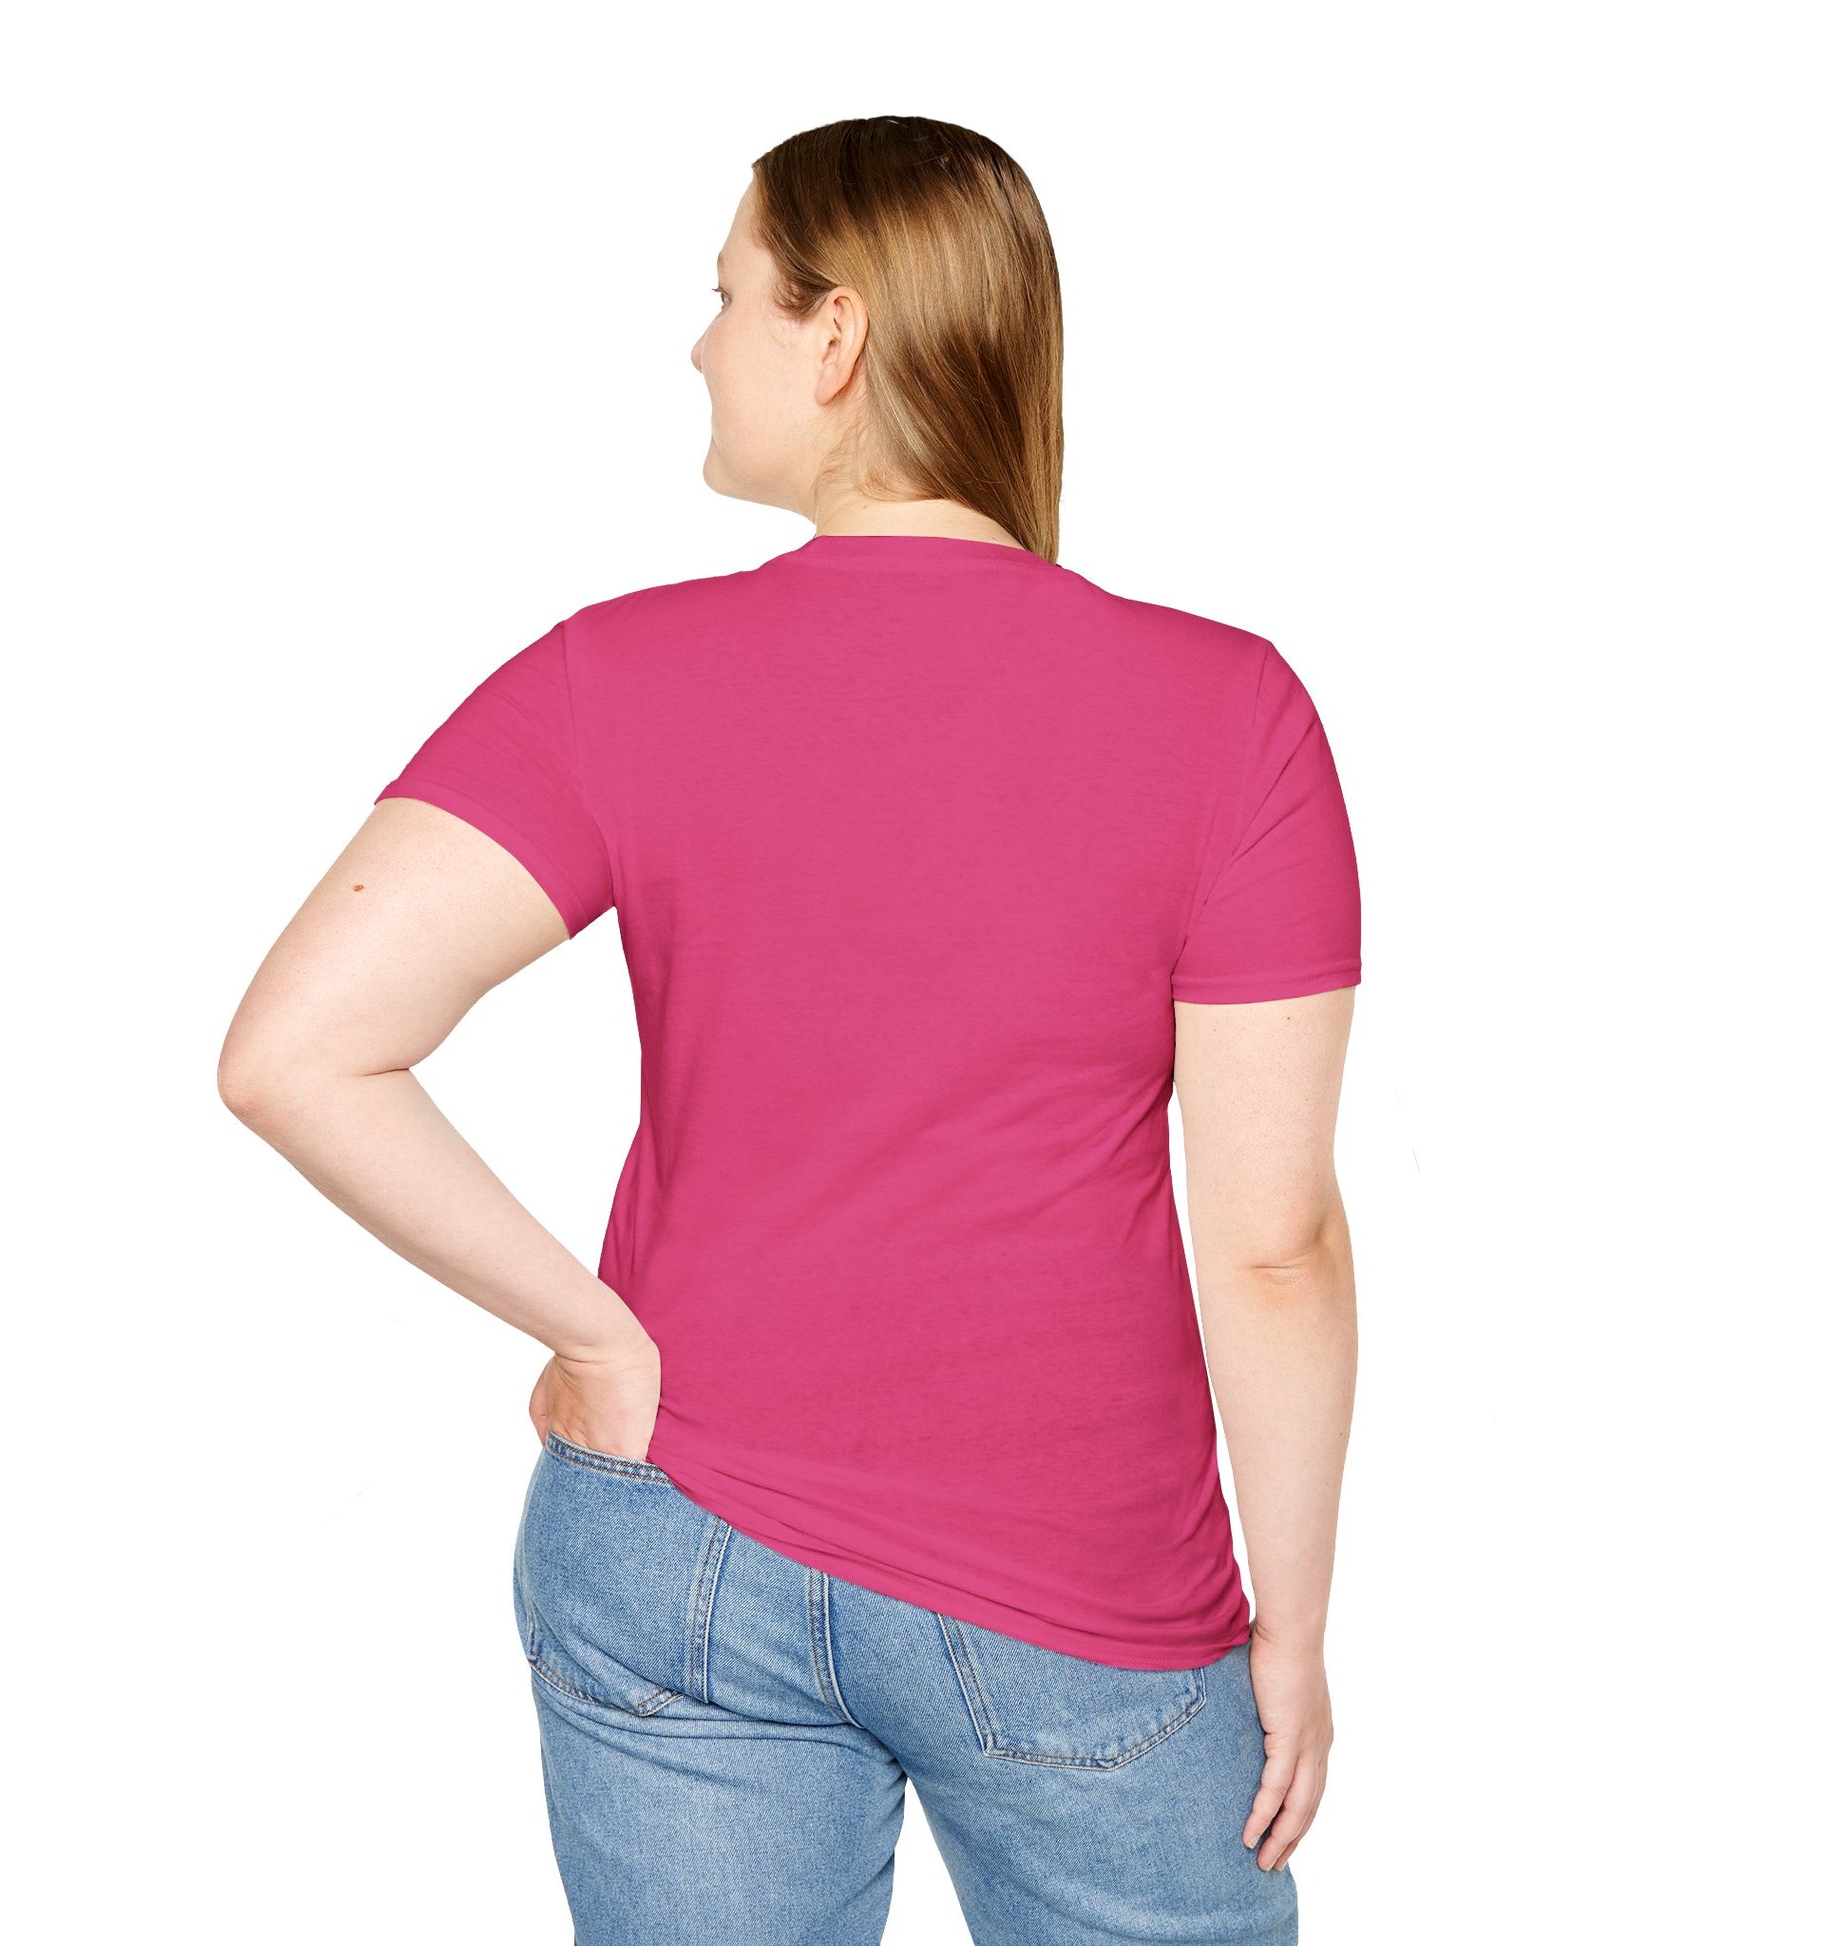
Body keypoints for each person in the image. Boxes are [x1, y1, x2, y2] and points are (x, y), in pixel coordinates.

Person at [219, 114, 1360, 1945]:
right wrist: (1287, 1627)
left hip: (677, 1541)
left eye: (728, 294)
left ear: (836, 335)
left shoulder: (615, 673)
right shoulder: (1228, 711)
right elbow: (1272, 1241)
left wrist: (594, 1332)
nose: (699, 345)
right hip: (1081, 1590)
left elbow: (298, 1048)